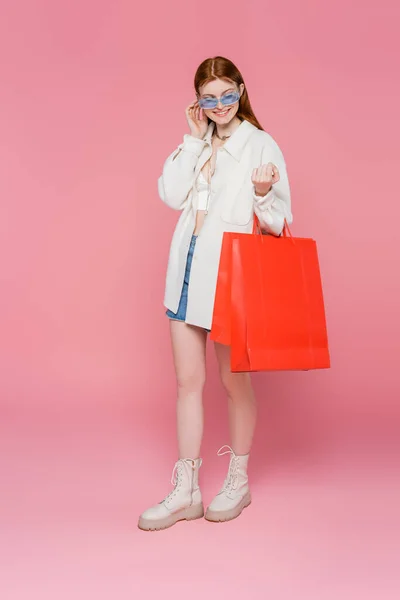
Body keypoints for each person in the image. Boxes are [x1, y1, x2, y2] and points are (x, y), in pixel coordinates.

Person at [138, 56, 292, 531]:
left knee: (232, 382)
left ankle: (238, 480)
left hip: (229, 279)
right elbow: (169, 194)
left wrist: (264, 193)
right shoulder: (198, 142)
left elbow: (279, 222)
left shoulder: (260, 144)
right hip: (186, 275)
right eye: (210, 98)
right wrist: (191, 139)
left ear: (241, 90)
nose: (221, 105)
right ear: (198, 102)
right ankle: (186, 491)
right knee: (187, 384)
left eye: (228, 94)